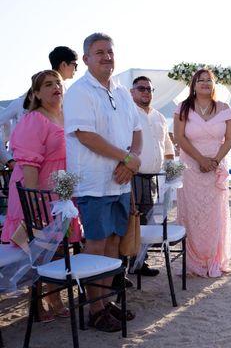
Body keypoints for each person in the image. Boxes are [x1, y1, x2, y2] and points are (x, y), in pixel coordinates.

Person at [64, 33, 141, 332]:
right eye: (99, 52)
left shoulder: (121, 90)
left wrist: (131, 160)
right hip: (94, 183)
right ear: (86, 58)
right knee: (95, 243)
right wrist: (126, 159)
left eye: (110, 51)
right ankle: (94, 309)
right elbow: (85, 135)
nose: (107, 56)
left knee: (112, 242)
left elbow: (137, 130)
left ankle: (107, 301)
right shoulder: (79, 92)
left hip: (120, 182)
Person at [0, 70, 83, 320]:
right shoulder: (34, 119)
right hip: (37, 191)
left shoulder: (68, 116)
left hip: (61, 191)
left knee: (59, 247)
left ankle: (51, 298)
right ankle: (44, 302)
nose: (56, 87)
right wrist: (36, 202)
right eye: (47, 84)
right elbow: (29, 166)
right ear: (35, 93)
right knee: (41, 245)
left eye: (58, 83)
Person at [173, 68, 231, 277]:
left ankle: (213, 258)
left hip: (216, 167)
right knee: (193, 212)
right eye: (201, 80)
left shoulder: (225, 108)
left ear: (214, 85)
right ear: (194, 84)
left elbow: (230, 140)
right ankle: (195, 260)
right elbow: (180, 138)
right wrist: (200, 160)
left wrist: (215, 161)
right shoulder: (182, 108)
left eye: (209, 80)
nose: (205, 83)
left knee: (215, 213)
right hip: (191, 167)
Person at [129, 75, 175, 276]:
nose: (146, 92)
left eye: (149, 89)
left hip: (154, 178)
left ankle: (140, 263)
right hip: (133, 176)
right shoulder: (128, 114)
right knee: (131, 221)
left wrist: (172, 166)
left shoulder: (159, 116)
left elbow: (166, 144)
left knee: (146, 221)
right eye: (141, 88)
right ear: (132, 92)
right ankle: (124, 266)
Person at [0, 46, 79, 164]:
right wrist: (8, 159)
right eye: (75, 65)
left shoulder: (71, 96)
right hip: (29, 165)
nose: (76, 69)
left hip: (65, 164)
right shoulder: (24, 102)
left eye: (58, 83)